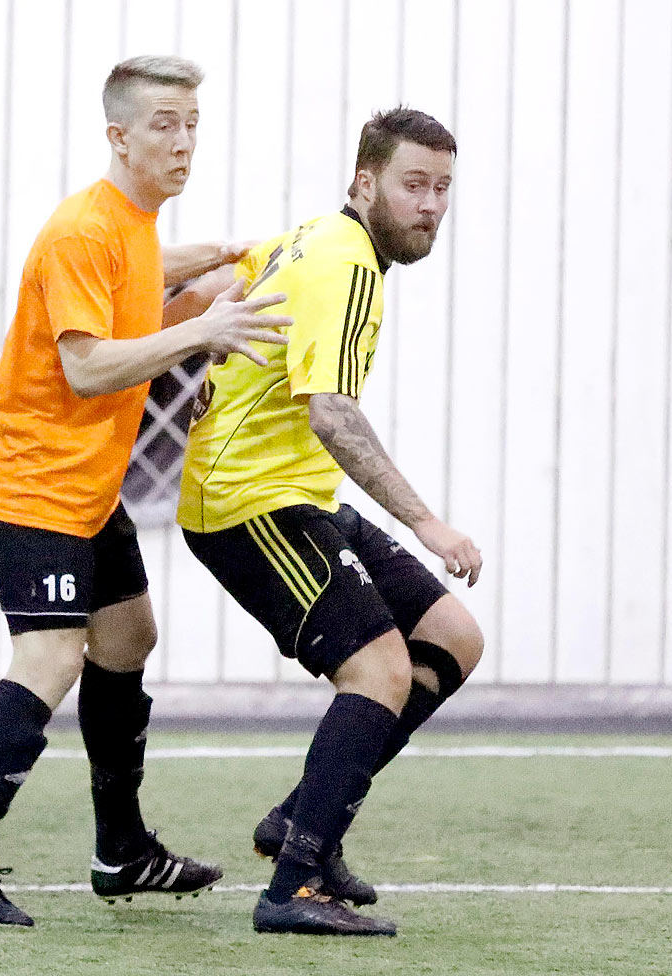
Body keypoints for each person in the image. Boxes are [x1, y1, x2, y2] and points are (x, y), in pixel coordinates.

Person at [0, 55, 291, 928]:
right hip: (24, 484)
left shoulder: (136, 225)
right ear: (118, 136)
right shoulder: (84, 229)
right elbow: (86, 368)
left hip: (83, 486)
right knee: (50, 658)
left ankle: (121, 852)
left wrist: (241, 255)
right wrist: (204, 327)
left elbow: (149, 276)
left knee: (128, 636)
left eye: (193, 122)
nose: (184, 140)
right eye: (164, 123)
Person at [176, 107, 485, 936]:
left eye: (443, 188)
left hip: (299, 494)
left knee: (453, 638)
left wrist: (202, 358)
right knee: (380, 672)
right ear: (364, 182)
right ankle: (292, 888)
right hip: (247, 501)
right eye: (413, 184)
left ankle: (301, 822)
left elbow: (219, 288)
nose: (429, 205)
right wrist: (430, 524)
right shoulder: (345, 261)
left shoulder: (316, 237)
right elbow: (333, 417)